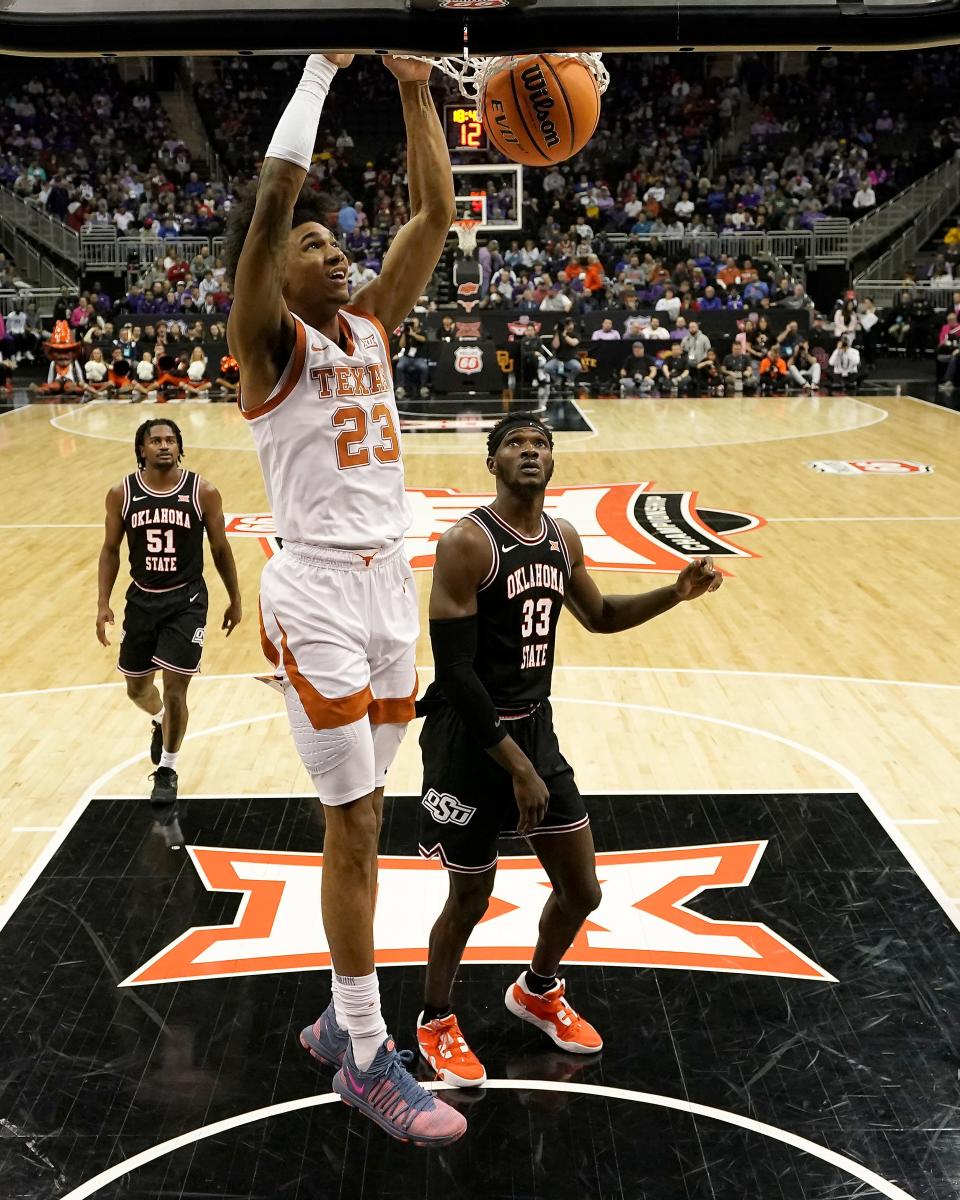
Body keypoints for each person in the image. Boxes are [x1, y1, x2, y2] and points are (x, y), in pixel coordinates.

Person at [223, 52, 466, 1146]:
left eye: (336, 241)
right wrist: (322, 67)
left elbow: (437, 209)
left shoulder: (370, 326)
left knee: (374, 810)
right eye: (312, 246)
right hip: (314, 590)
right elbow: (273, 197)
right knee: (355, 820)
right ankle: (366, 1051)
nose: (333, 249)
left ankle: (341, 1016)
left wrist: (416, 86)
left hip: (385, 587)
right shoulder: (265, 344)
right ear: (273, 274)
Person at [415, 413, 722, 1086]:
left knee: (581, 889)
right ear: (492, 462)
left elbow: (602, 616)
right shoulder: (467, 543)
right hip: (469, 741)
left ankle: (536, 990)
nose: (531, 451)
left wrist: (675, 592)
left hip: (534, 730)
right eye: (516, 444)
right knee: (469, 898)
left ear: (553, 462)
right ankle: (434, 1020)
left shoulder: (561, 538)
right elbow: (456, 675)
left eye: (541, 444)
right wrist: (517, 768)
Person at [95, 419, 242, 826]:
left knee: (175, 688)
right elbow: (110, 550)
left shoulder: (202, 491)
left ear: (180, 447)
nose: (164, 446)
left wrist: (235, 598)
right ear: (141, 448)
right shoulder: (121, 493)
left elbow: (220, 547)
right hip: (141, 601)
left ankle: (168, 769)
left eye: (170, 440)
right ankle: (159, 720)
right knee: (137, 689)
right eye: (155, 440)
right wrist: (102, 603)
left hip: (187, 601)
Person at [394, 315, 430, 398]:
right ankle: (400, 387)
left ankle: (423, 387)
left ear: (419, 324)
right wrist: (403, 333)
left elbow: (423, 339)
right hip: (406, 357)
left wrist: (413, 334)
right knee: (399, 366)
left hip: (418, 358)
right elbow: (401, 345)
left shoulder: (422, 332)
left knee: (424, 367)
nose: (413, 323)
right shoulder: (406, 333)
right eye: (412, 322)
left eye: (415, 322)